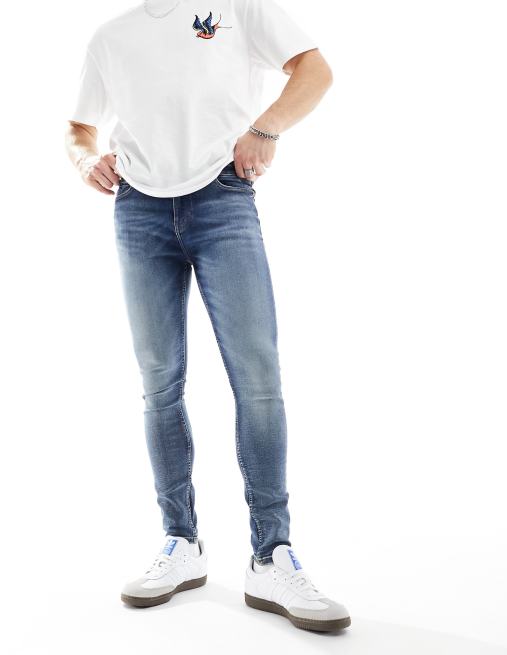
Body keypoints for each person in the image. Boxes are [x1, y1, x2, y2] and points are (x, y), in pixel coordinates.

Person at [65, 0, 350, 633]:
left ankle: (271, 555)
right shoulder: (110, 36)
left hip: (222, 199)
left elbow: (314, 69)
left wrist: (266, 129)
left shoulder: (237, 7)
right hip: (137, 209)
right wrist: (86, 159)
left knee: (258, 378)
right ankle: (181, 541)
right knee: (159, 382)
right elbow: (79, 126)